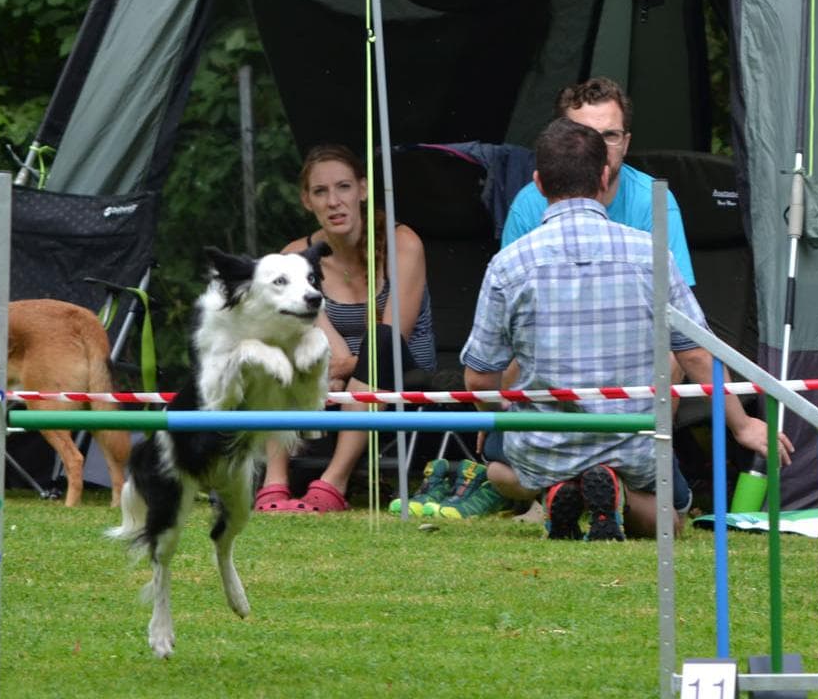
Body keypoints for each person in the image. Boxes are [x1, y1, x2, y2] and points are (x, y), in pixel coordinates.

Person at [462, 117, 790, 541]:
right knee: (674, 517)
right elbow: (695, 354)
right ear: (603, 176)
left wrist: (505, 417)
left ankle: (561, 489)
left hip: (546, 447)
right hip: (635, 446)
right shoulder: (650, 254)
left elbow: (478, 378)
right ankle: (610, 491)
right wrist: (742, 425)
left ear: (539, 184)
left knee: (498, 467)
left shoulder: (508, 265)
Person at [257, 143, 437, 513]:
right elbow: (320, 342)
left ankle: (333, 482)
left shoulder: (403, 243)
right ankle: (274, 483)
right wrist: (334, 366)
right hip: (328, 370)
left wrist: (340, 369)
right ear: (307, 201)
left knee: (379, 341)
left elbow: (393, 337)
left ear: (363, 190)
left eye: (343, 187)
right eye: (320, 192)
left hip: (400, 368)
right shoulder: (293, 258)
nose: (334, 201)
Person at [500, 76, 697, 287]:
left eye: (610, 135)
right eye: (584, 135)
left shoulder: (655, 202)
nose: (599, 148)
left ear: (626, 143)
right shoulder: (528, 203)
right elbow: (508, 292)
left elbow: (674, 305)